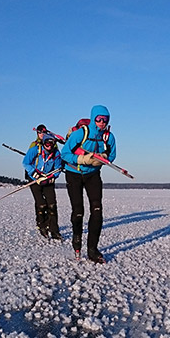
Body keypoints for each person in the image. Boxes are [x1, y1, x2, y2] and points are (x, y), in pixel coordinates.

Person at [61, 105, 116, 263]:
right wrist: (82, 159)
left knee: (97, 211)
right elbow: (65, 153)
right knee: (78, 211)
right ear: (93, 118)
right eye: (98, 119)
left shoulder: (108, 137)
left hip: (93, 175)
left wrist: (102, 157)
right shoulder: (81, 133)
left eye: (105, 119)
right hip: (74, 174)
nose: (101, 122)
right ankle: (76, 241)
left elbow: (112, 156)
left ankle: (93, 249)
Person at [23, 133, 63, 240]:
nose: (49, 145)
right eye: (47, 142)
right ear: (43, 142)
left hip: (48, 180)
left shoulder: (56, 154)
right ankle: (42, 226)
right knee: (41, 204)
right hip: (35, 179)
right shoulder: (35, 150)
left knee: (52, 205)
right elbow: (26, 163)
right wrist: (36, 174)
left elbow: (58, 168)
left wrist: (52, 178)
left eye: (51, 143)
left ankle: (54, 230)